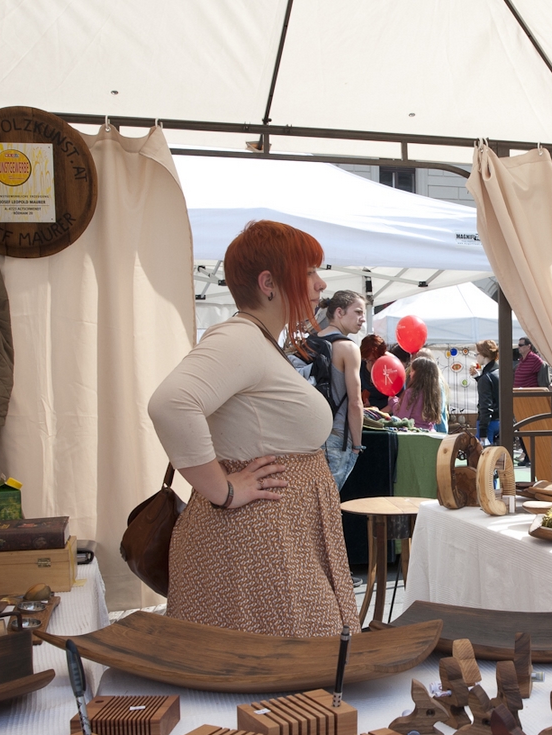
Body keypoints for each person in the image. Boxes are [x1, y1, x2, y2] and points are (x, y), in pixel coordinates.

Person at [148, 220, 360, 637]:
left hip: (273, 538)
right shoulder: (240, 338)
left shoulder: (258, 341)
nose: (320, 285)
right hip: (260, 542)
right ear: (269, 282)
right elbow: (171, 404)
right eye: (309, 272)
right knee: (292, 675)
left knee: (294, 676)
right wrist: (223, 490)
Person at [314, 291, 366, 490]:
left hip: (308, 434)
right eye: (358, 312)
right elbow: (355, 402)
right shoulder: (348, 348)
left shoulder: (308, 343)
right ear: (339, 312)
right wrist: (357, 445)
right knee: (330, 501)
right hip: (336, 436)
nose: (362, 318)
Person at [389, 356, 446, 431]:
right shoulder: (434, 394)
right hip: (429, 432)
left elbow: (402, 418)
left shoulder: (411, 393)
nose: (410, 374)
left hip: (413, 433)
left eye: (412, 371)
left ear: (419, 374)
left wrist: (393, 401)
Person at [475, 339, 500, 443]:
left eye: (477, 354)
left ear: (483, 355)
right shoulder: (500, 372)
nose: (476, 357)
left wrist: (482, 431)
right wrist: (478, 377)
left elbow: (485, 405)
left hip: (488, 423)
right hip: (502, 421)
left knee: (484, 456)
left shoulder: (486, 378)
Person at [359, 334, 390, 409]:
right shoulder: (360, 366)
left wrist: (379, 415)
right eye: (368, 360)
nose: (372, 363)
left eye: (375, 359)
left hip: (386, 414)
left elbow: (398, 399)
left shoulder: (391, 367)